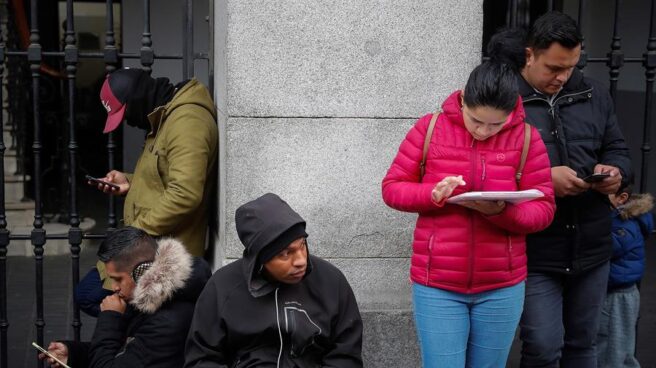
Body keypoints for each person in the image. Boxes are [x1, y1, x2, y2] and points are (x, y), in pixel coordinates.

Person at [380, 34, 556, 367]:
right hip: (437, 284)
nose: (484, 131)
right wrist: (432, 195)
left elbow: (544, 208)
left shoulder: (527, 138)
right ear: (462, 100)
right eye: (475, 120)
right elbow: (392, 188)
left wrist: (501, 213)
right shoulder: (429, 128)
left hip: (502, 283)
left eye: (496, 124)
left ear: (511, 114)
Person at [492, 12, 634, 368]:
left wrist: (616, 172)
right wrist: (544, 178)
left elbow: (617, 148)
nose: (563, 77)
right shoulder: (504, 101)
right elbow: (486, 169)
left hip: (592, 244)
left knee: (584, 344)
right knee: (542, 346)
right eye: (554, 67)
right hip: (536, 249)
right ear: (530, 55)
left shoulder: (594, 93)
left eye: (570, 67)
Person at [76, 68, 218, 317]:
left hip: (161, 251)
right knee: (91, 292)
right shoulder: (165, 116)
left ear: (137, 99)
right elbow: (165, 175)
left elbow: (185, 192)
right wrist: (130, 182)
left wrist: (136, 233)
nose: (129, 122)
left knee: (88, 295)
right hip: (148, 245)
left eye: (126, 114)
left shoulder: (186, 123)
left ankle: (140, 339)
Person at [184, 193, 363, 368]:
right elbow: (201, 358)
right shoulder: (222, 287)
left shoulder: (331, 281)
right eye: (285, 253)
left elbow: (346, 355)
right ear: (260, 259)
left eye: (302, 245)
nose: (301, 260)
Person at [39, 226, 211, 368]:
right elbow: (127, 351)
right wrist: (74, 353)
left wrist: (110, 318)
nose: (114, 287)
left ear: (141, 272)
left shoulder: (167, 323)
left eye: (117, 279)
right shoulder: (150, 297)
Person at [597, 186, 653, 368]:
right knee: (620, 348)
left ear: (622, 198)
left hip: (617, 296)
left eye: (602, 196)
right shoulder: (623, 219)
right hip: (621, 293)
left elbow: (606, 248)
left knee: (610, 350)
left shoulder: (623, 224)